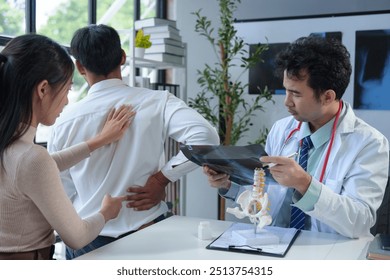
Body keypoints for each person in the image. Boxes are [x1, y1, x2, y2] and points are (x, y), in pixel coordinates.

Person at [47, 24, 220, 259]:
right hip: (147, 231)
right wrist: (161, 179)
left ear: (79, 67)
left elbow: (62, 189)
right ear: (123, 58)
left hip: (87, 238)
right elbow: (206, 137)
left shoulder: (64, 120)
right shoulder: (157, 101)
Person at [203, 35, 389, 239]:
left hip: (330, 254)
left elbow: (359, 221)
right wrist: (229, 185)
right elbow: (268, 200)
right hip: (276, 243)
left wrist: (305, 184)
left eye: (296, 94)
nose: (287, 102)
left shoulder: (370, 144)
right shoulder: (281, 130)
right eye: (286, 90)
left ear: (328, 96)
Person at [0, 34, 136, 260]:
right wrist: (107, 212)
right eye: (68, 89)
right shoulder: (31, 158)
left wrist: (99, 140)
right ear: (43, 89)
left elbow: (41, 166)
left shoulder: (13, 147)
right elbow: (77, 237)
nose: (67, 101)